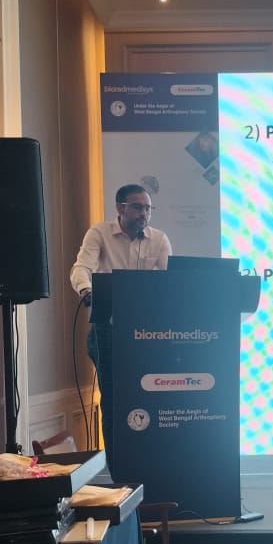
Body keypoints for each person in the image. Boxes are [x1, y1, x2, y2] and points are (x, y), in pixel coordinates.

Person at [70, 184, 172, 471]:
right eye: (137, 207)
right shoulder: (100, 233)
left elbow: (170, 281)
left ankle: (147, 465)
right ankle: (119, 471)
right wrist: (86, 290)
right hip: (107, 329)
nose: (144, 213)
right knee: (114, 402)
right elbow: (81, 267)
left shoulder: (159, 239)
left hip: (146, 333)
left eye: (148, 208)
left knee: (147, 397)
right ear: (120, 208)